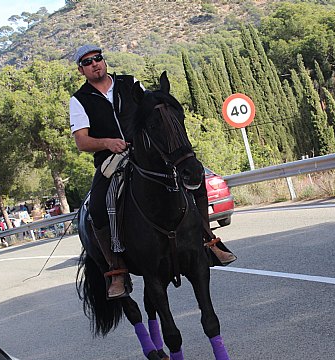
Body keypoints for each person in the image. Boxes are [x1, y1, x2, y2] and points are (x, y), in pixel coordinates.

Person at [69, 45, 236, 300]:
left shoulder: (129, 83)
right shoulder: (79, 99)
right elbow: (81, 141)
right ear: (81, 70)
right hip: (110, 159)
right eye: (88, 62)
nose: (95, 64)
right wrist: (107, 143)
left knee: (195, 178)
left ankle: (208, 241)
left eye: (98, 58)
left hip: (144, 150)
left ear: (104, 61)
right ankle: (116, 270)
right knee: (99, 206)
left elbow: (150, 111)